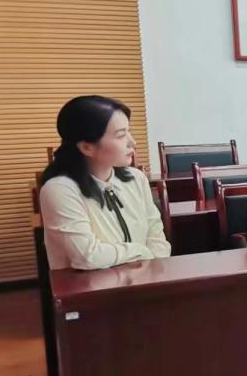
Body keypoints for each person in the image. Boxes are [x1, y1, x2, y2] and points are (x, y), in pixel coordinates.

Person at [39, 95, 171, 270]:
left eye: (128, 131)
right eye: (121, 135)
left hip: (145, 281)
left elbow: (156, 237)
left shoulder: (136, 178)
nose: (132, 142)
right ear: (87, 147)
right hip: (90, 286)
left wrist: (155, 270)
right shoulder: (59, 190)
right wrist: (141, 251)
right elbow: (87, 256)